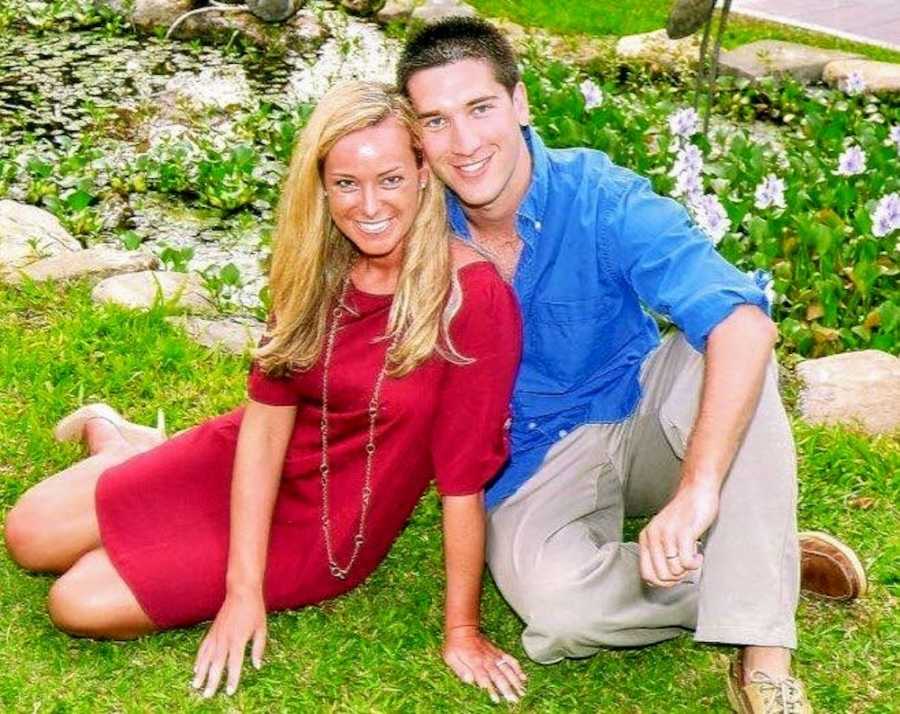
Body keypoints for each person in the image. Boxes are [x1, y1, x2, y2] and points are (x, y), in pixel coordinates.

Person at [396, 17, 868, 714]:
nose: (464, 144)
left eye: (480, 108)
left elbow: (743, 322)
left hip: (641, 414)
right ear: (416, 134)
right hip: (530, 462)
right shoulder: (411, 226)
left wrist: (701, 490)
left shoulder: (601, 197)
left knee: (732, 347)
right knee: (563, 613)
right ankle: (762, 559)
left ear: (520, 104)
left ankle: (765, 660)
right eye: (436, 121)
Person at [3, 81, 528, 703]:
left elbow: (464, 480)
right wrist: (240, 588)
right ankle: (120, 444)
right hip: (245, 458)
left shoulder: (472, 299)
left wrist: (461, 630)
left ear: (422, 173)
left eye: (389, 179)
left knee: (77, 602)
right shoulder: (314, 267)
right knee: (27, 535)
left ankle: (128, 449)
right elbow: (267, 421)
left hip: (328, 526)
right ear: (322, 186)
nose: (368, 205)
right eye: (345, 184)